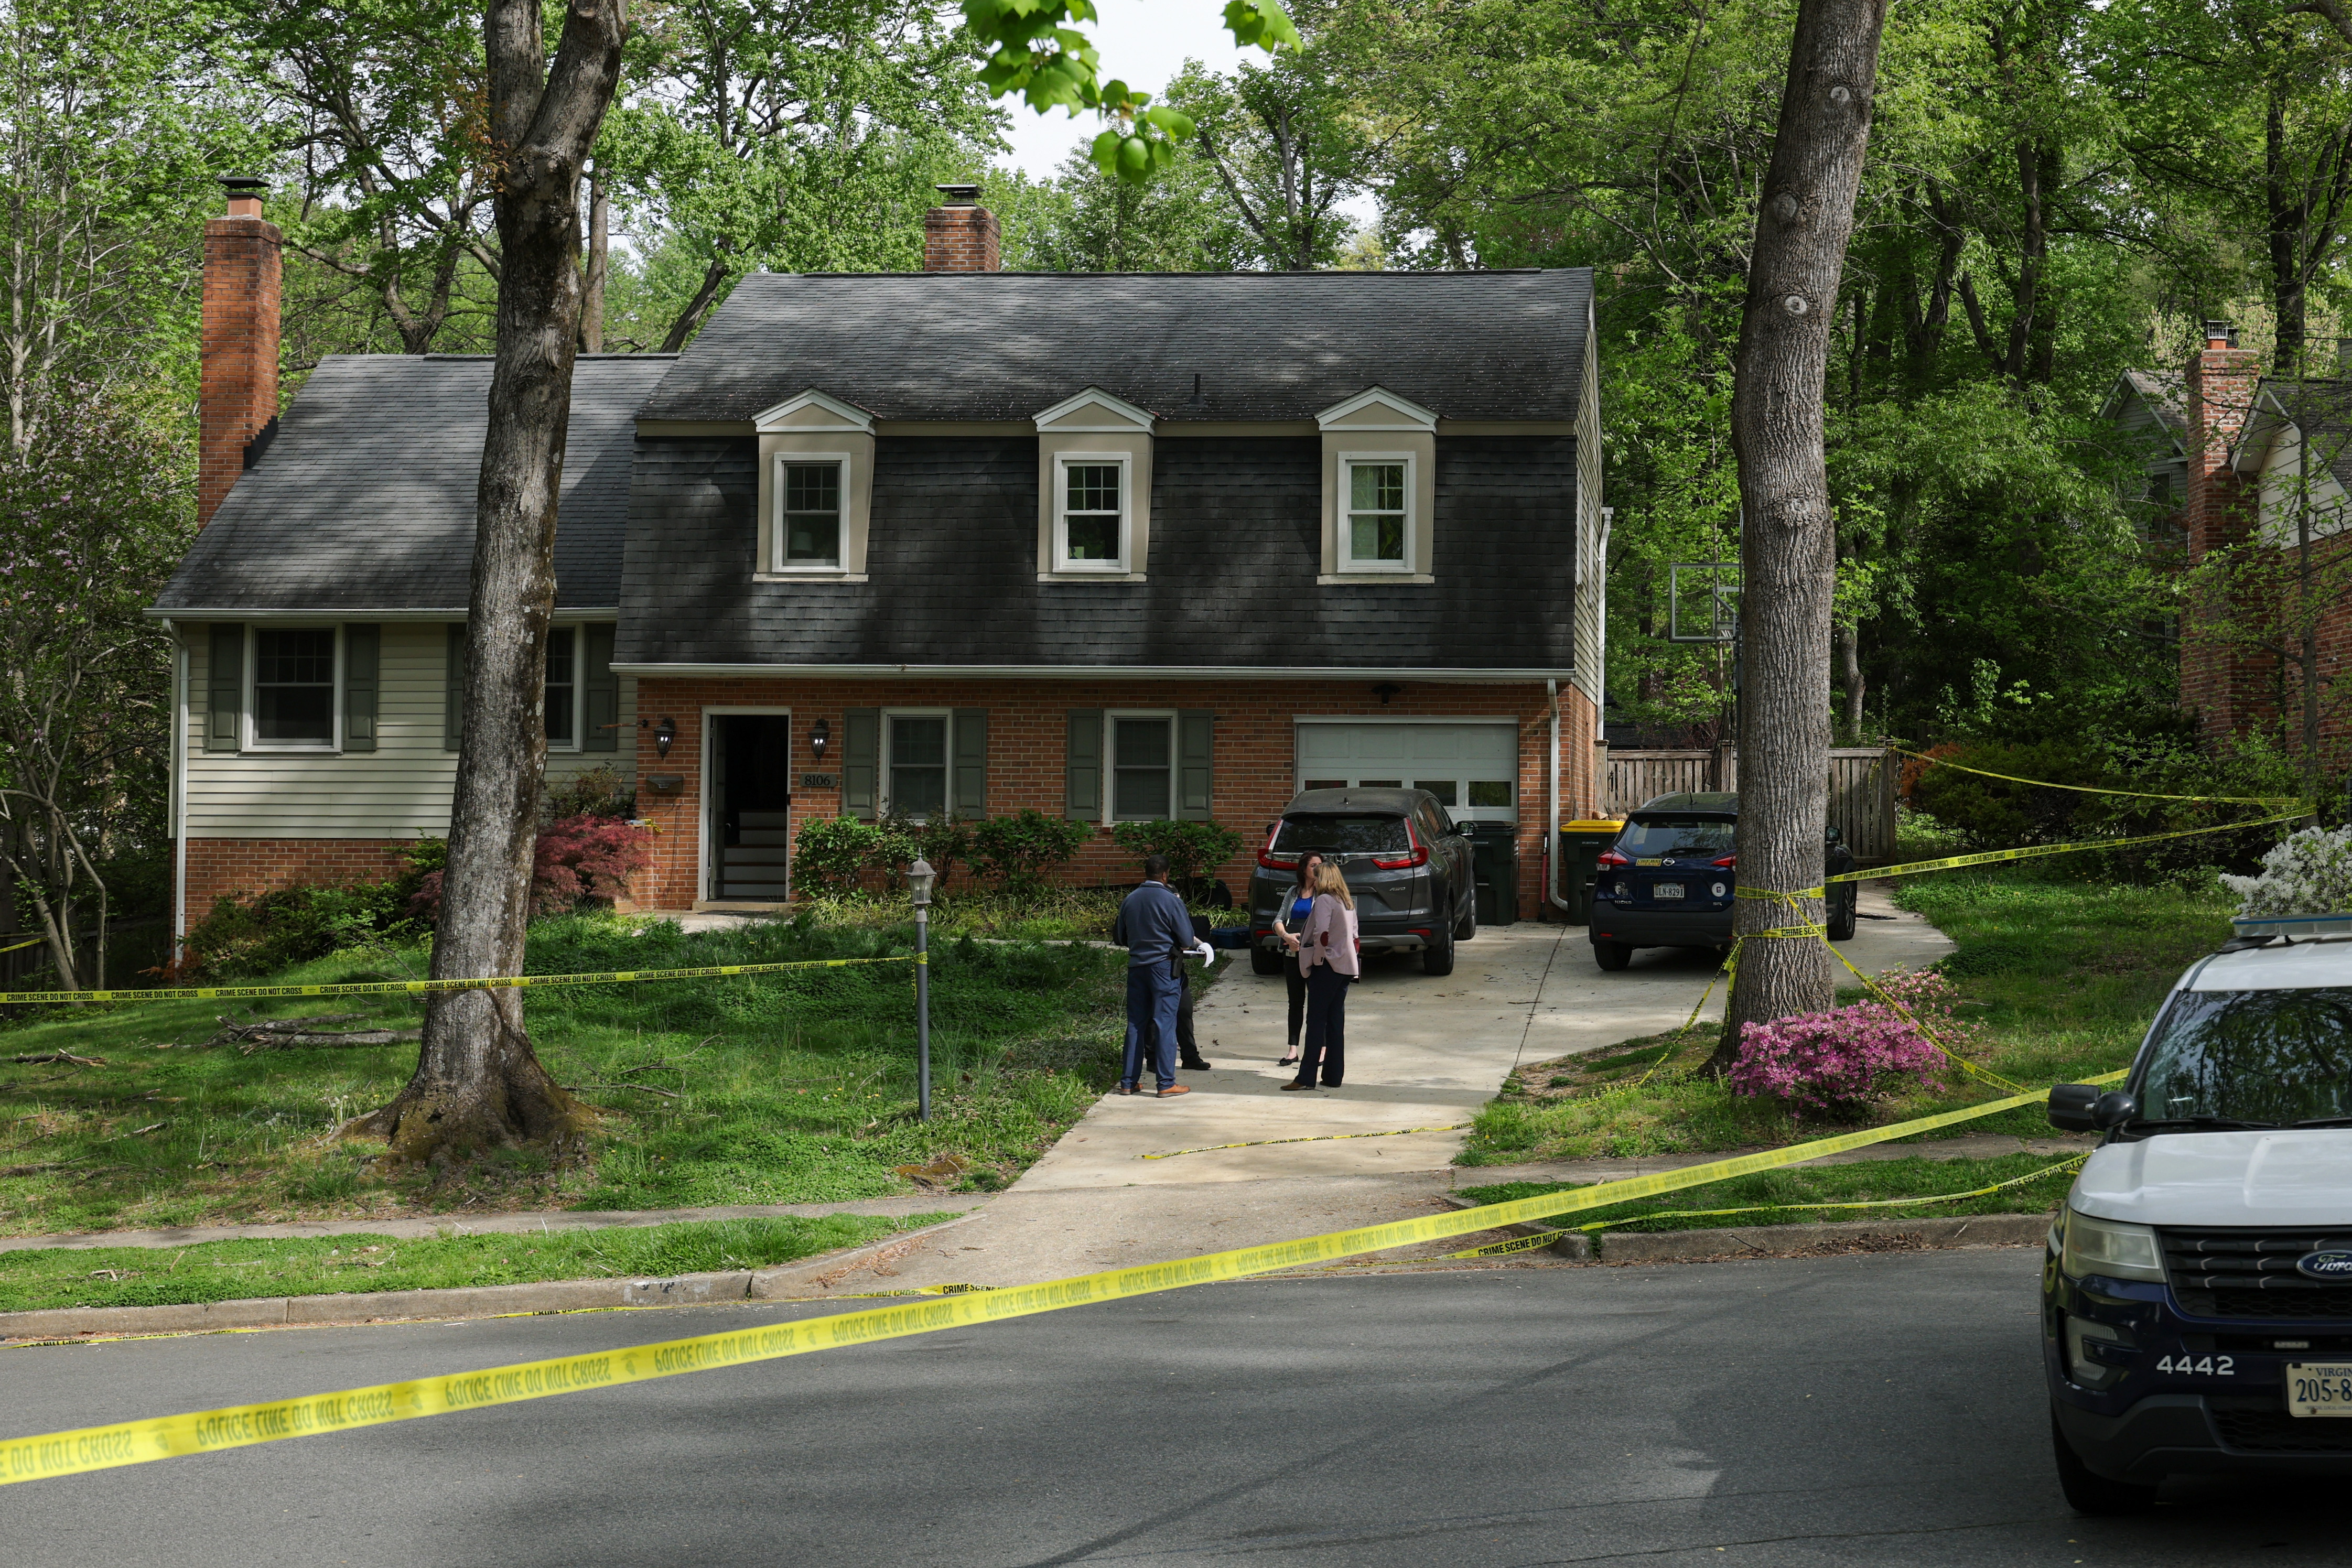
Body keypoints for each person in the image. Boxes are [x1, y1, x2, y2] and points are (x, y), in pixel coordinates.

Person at [1111, 854, 1193, 1097]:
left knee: (1136, 1024)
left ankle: (1128, 1082)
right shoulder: (1170, 900)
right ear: (1166, 875)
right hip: (1164, 968)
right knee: (1164, 1023)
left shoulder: (1130, 899)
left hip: (1137, 968)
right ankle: (1166, 1082)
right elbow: (1187, 940)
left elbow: (1121, 937)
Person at [1285, 860, 1358, 1091]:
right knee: (1336, 1022)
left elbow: (1322, 934)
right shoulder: (1347, 902)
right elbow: (1355, 935)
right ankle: (1333, 1076)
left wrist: (1317, 960)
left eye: (1317, 877)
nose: (1314, 881)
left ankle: (1306, 1077)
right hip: (1345, 966)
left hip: (1326, 966)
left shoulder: (1326, 900)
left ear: (1324, 879)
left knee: (1316, 1022)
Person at [1271, 851, 1326, 1067]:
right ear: (1303, 869)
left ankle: (1321, 1048)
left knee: (1317, 1003)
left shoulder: (1324, 893)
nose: (1317, 869)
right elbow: (1278, 919)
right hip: (1292, 953)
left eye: (1320, 865)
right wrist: (1286, 936)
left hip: (1314, 955)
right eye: (1313, 865)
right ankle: (1293, 1049)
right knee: (1295, 1002)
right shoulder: (1293, 892)